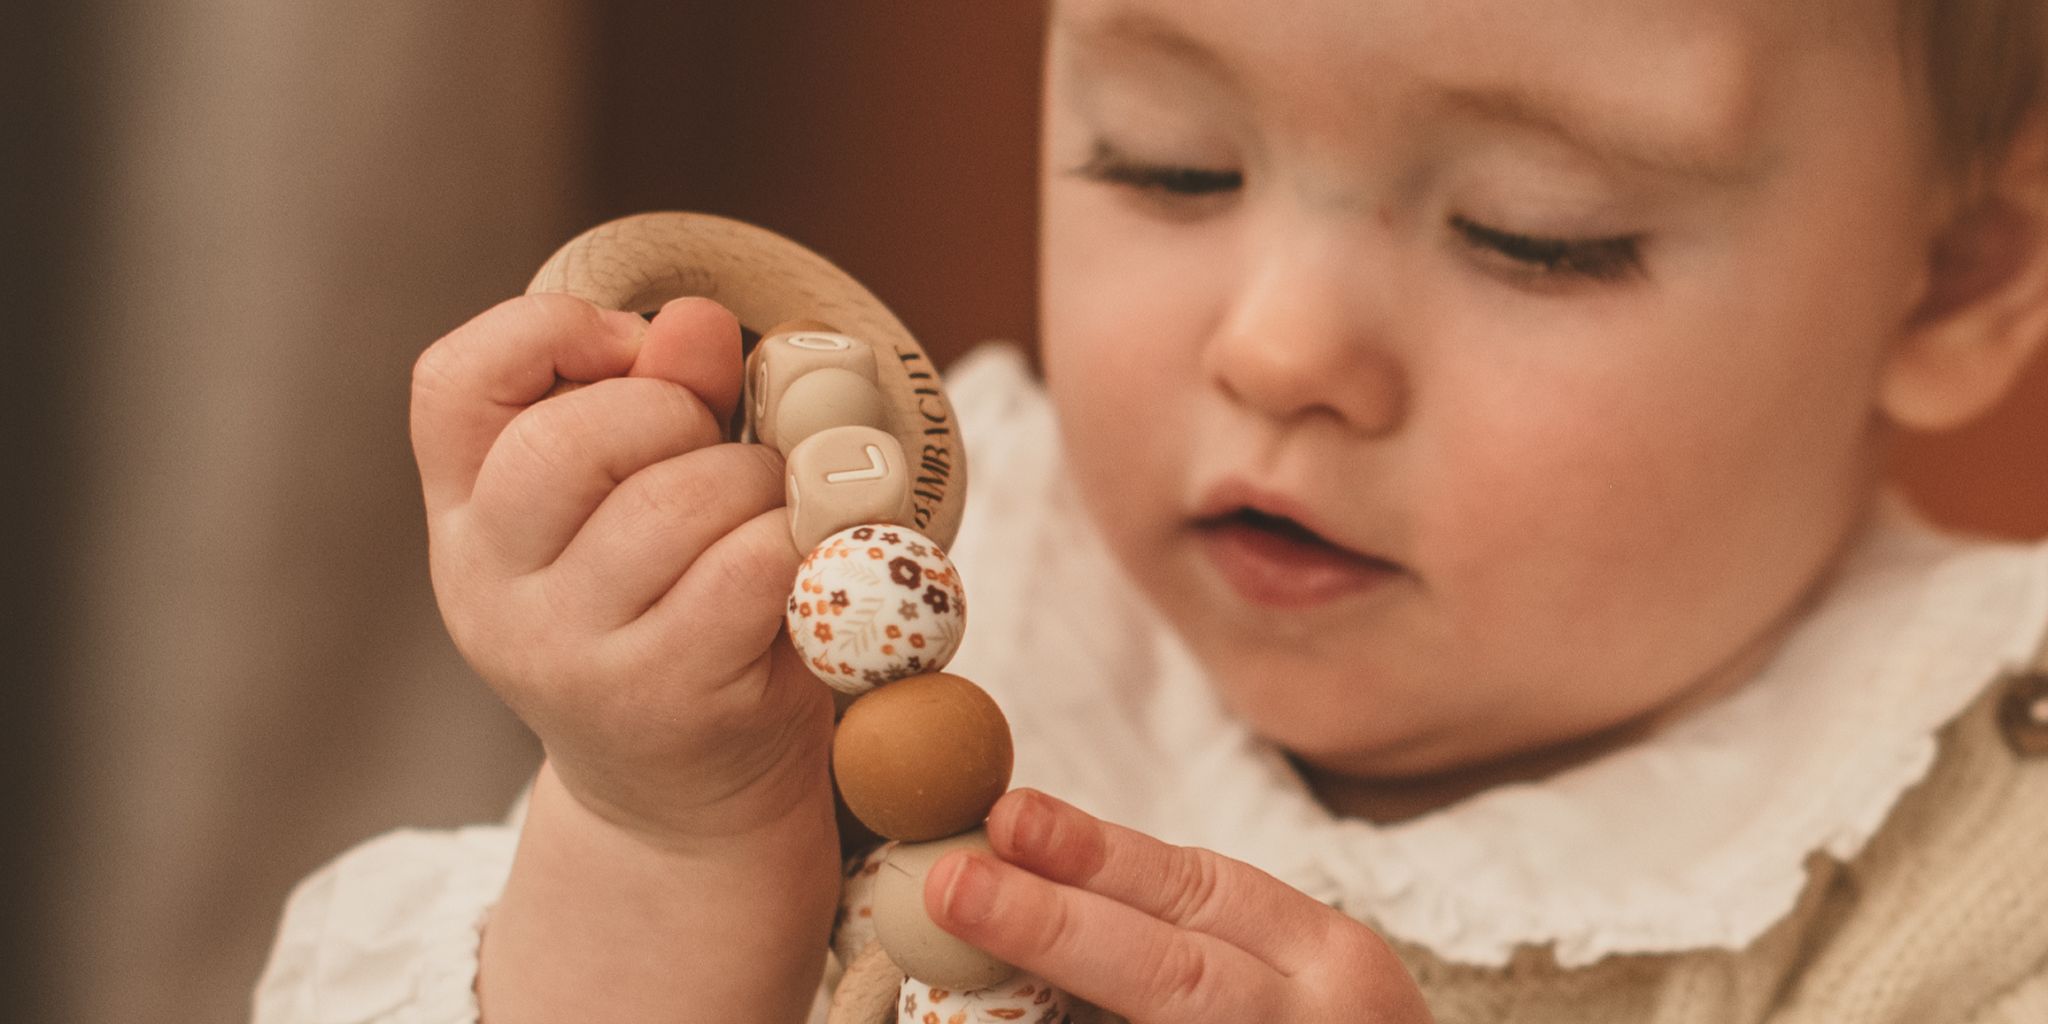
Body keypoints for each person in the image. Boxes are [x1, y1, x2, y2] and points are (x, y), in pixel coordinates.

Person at [254, 0, 2048, 1020]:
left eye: (1534, 230)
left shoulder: (1989, 862)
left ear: (1959, 272)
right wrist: (660, 840)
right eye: (1167, 163)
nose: (1276, 352)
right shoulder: (880, 604)